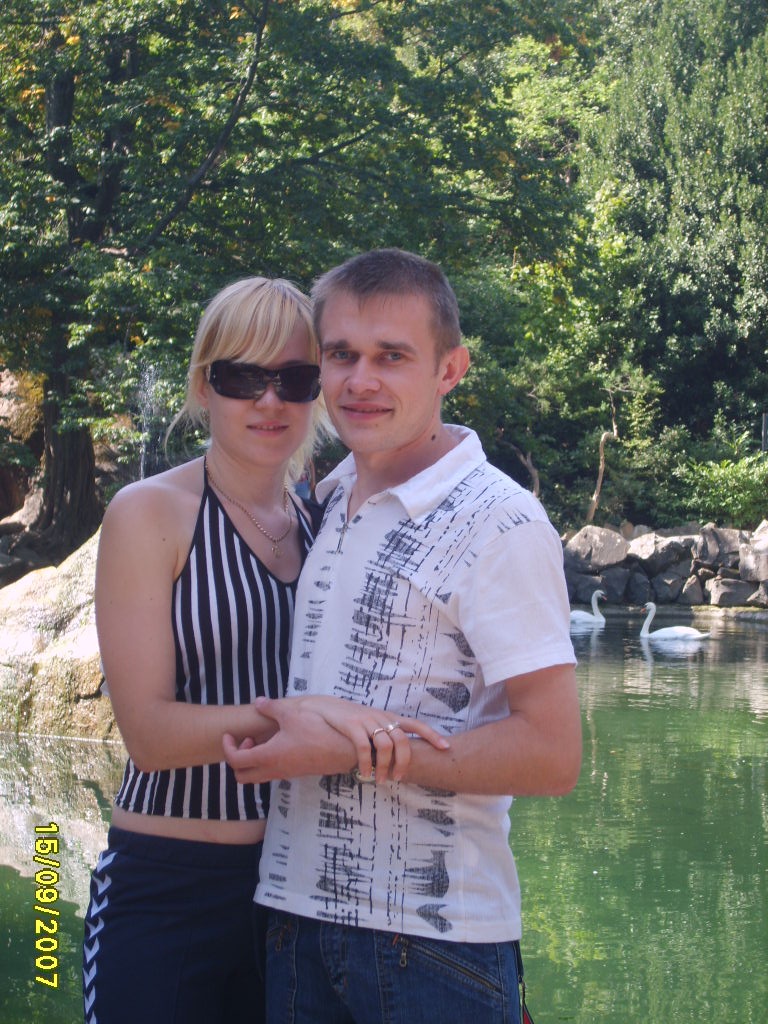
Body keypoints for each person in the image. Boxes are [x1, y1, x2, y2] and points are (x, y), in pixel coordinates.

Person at [225, 248, 583, 1024]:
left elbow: (553, 754)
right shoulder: (324, 499)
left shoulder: (500, 520)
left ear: (450, 369)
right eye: (342, 355)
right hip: (292, 921)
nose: (361, 381)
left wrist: (352, 750)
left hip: (434, 946)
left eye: (392, 356)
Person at [82, 275, 444, 1024]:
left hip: (295, 896)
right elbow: (148, 735)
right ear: (203, 385)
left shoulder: (324, 521)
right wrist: (312, 718)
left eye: (295, 379)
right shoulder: (151, 513)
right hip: (168, 887)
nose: (270, 401)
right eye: (242, 378)